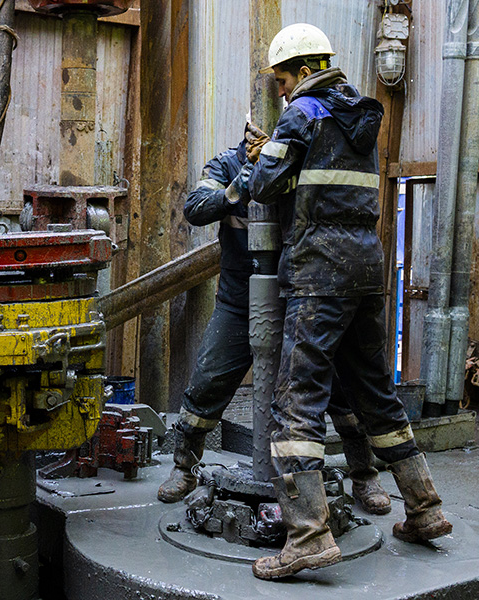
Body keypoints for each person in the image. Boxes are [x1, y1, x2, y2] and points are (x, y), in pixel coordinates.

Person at [246, 23, 452, 580]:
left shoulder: (300, 114)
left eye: (283, 80)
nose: (281, 90)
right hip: (366, 267)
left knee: (297, 401)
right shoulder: (361, 115)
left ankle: (307, 537)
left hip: (318, 272)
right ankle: (425, 509)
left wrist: (263, 154)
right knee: (376, 394)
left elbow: (264, 186)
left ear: (304, 71)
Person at [157, 134, 392, 519]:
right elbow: (196, 207)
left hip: (300, 298)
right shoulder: (227, 165)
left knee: (340, 389)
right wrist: (243, 183)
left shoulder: (300, 163)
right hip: (239, 299)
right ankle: (184, 467)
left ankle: (365, 476)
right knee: (208, 380)